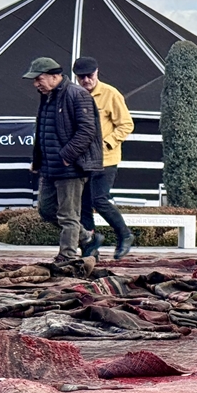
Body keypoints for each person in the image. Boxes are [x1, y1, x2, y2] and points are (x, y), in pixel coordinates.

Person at [25, 57, 102, 263]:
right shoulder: (48, 96)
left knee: (68, 216)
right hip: (50, 168)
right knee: (46, 210)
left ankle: (66, 256)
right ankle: (87, 238)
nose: (35, 84)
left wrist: (67, 156)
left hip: (71, 169)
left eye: (38, 78)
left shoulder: (77, 95)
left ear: (55, 76)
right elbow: (43, 131)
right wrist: (38, 160)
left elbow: (87, 131)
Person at [71, 57, 134, 260]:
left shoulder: (110, 94)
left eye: (90, 76)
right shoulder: (74, 95)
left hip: (106, 159)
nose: (86, 80)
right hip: (81, 160)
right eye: (82, 77)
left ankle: (124, 235)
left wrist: (107, 142)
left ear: (97, 72)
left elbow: (126, 124)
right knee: (83, 204)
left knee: (100, 199)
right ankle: (90, 248)